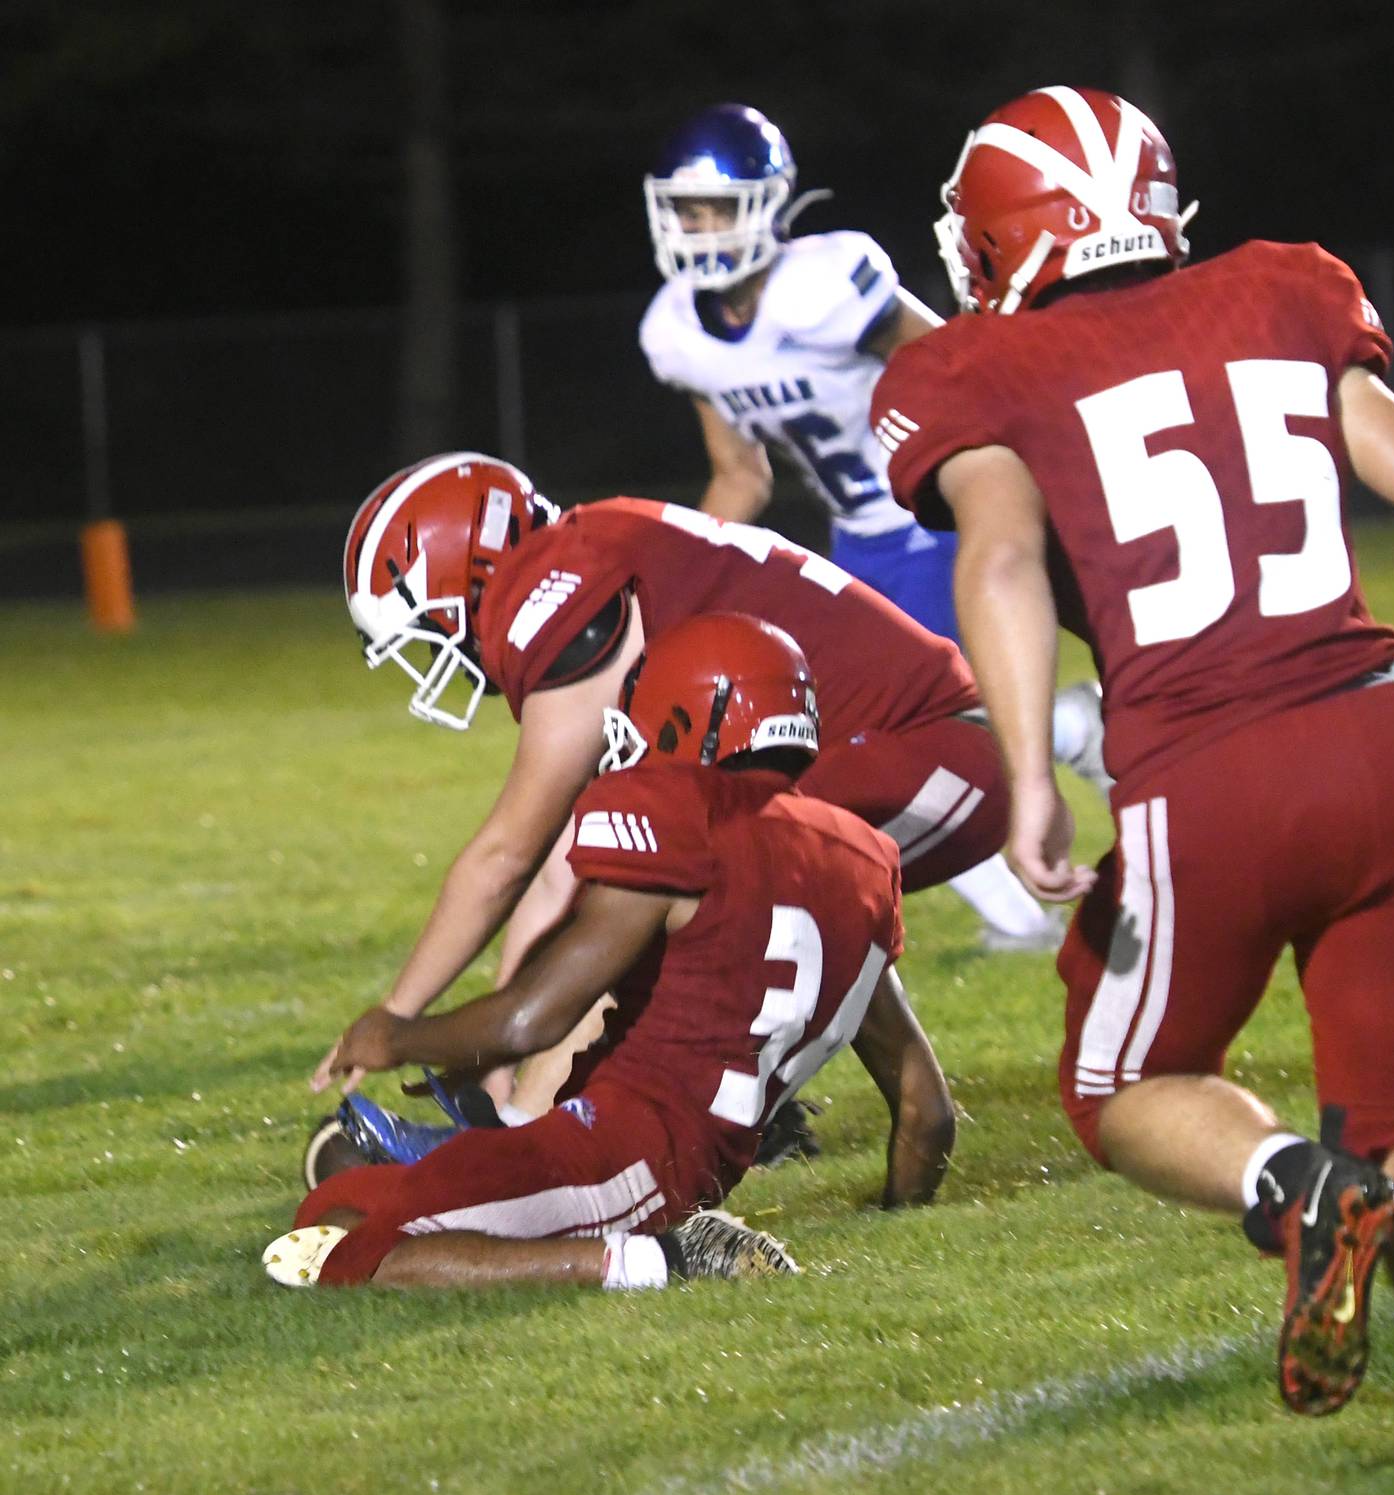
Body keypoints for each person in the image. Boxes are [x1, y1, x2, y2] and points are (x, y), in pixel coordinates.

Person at [871, 83, 1394, 1415]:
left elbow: (1002, 558)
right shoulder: (1286, 288)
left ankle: (1290, 1187)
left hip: (1213, 772)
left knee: (1122, 1084)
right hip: (1390, 744)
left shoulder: (975, 368)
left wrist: (1025, 775)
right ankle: (1348, 1190)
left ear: (1007, 239)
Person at [314, 449, 1019, 1140]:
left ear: (465, 569)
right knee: (667, 884)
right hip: (914, 748)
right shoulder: (589, 551)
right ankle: (609, 1121)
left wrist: (398, 1017)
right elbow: (566, 864)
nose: (437, 651)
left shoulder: (555, 591)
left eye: (425, 625)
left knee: (656, 901)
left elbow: (506, 859)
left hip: (934, 753)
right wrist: (493, 1056)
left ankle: (551, 1143)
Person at [268, 613, 954, 1291]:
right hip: (666, 1153)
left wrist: (400, 1036)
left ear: (693, 722)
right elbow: (926, 1110)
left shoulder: (685, 814)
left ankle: (665, 1261)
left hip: (623, 1153)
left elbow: (532, 1020)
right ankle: (646, 1239)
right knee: (341, 1191)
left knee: (345, 1249)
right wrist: (900, 1212)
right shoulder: (860, 859)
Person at [640, 100, 1112, 954]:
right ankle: (1026, 910)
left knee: (906, 744)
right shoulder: (677, 334)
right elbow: (741, 477)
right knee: (852, 746)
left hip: (935, 513)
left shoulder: (823, 284)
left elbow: (961, 365)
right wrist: (663, 578)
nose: (703, 229)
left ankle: (1073, 744)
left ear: (769, 204)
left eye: (719, 207)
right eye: (688, 210)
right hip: (856, 540)